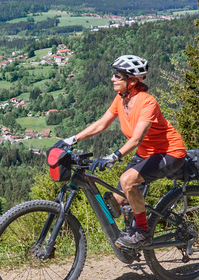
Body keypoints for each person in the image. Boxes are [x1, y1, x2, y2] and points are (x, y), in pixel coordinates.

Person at [61, 55, 187, 248]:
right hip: (146, 153)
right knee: (115, 200)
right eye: (114, 75)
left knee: (128, 181)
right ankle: (132, 231)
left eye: (118, 76)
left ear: (133, 80)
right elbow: (102, 124)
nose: (113, 79)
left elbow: (136, 139)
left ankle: (143, 232)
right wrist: (72, 139)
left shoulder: (147, 103)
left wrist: (114, 156)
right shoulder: (121, 99)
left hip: (169, 152)